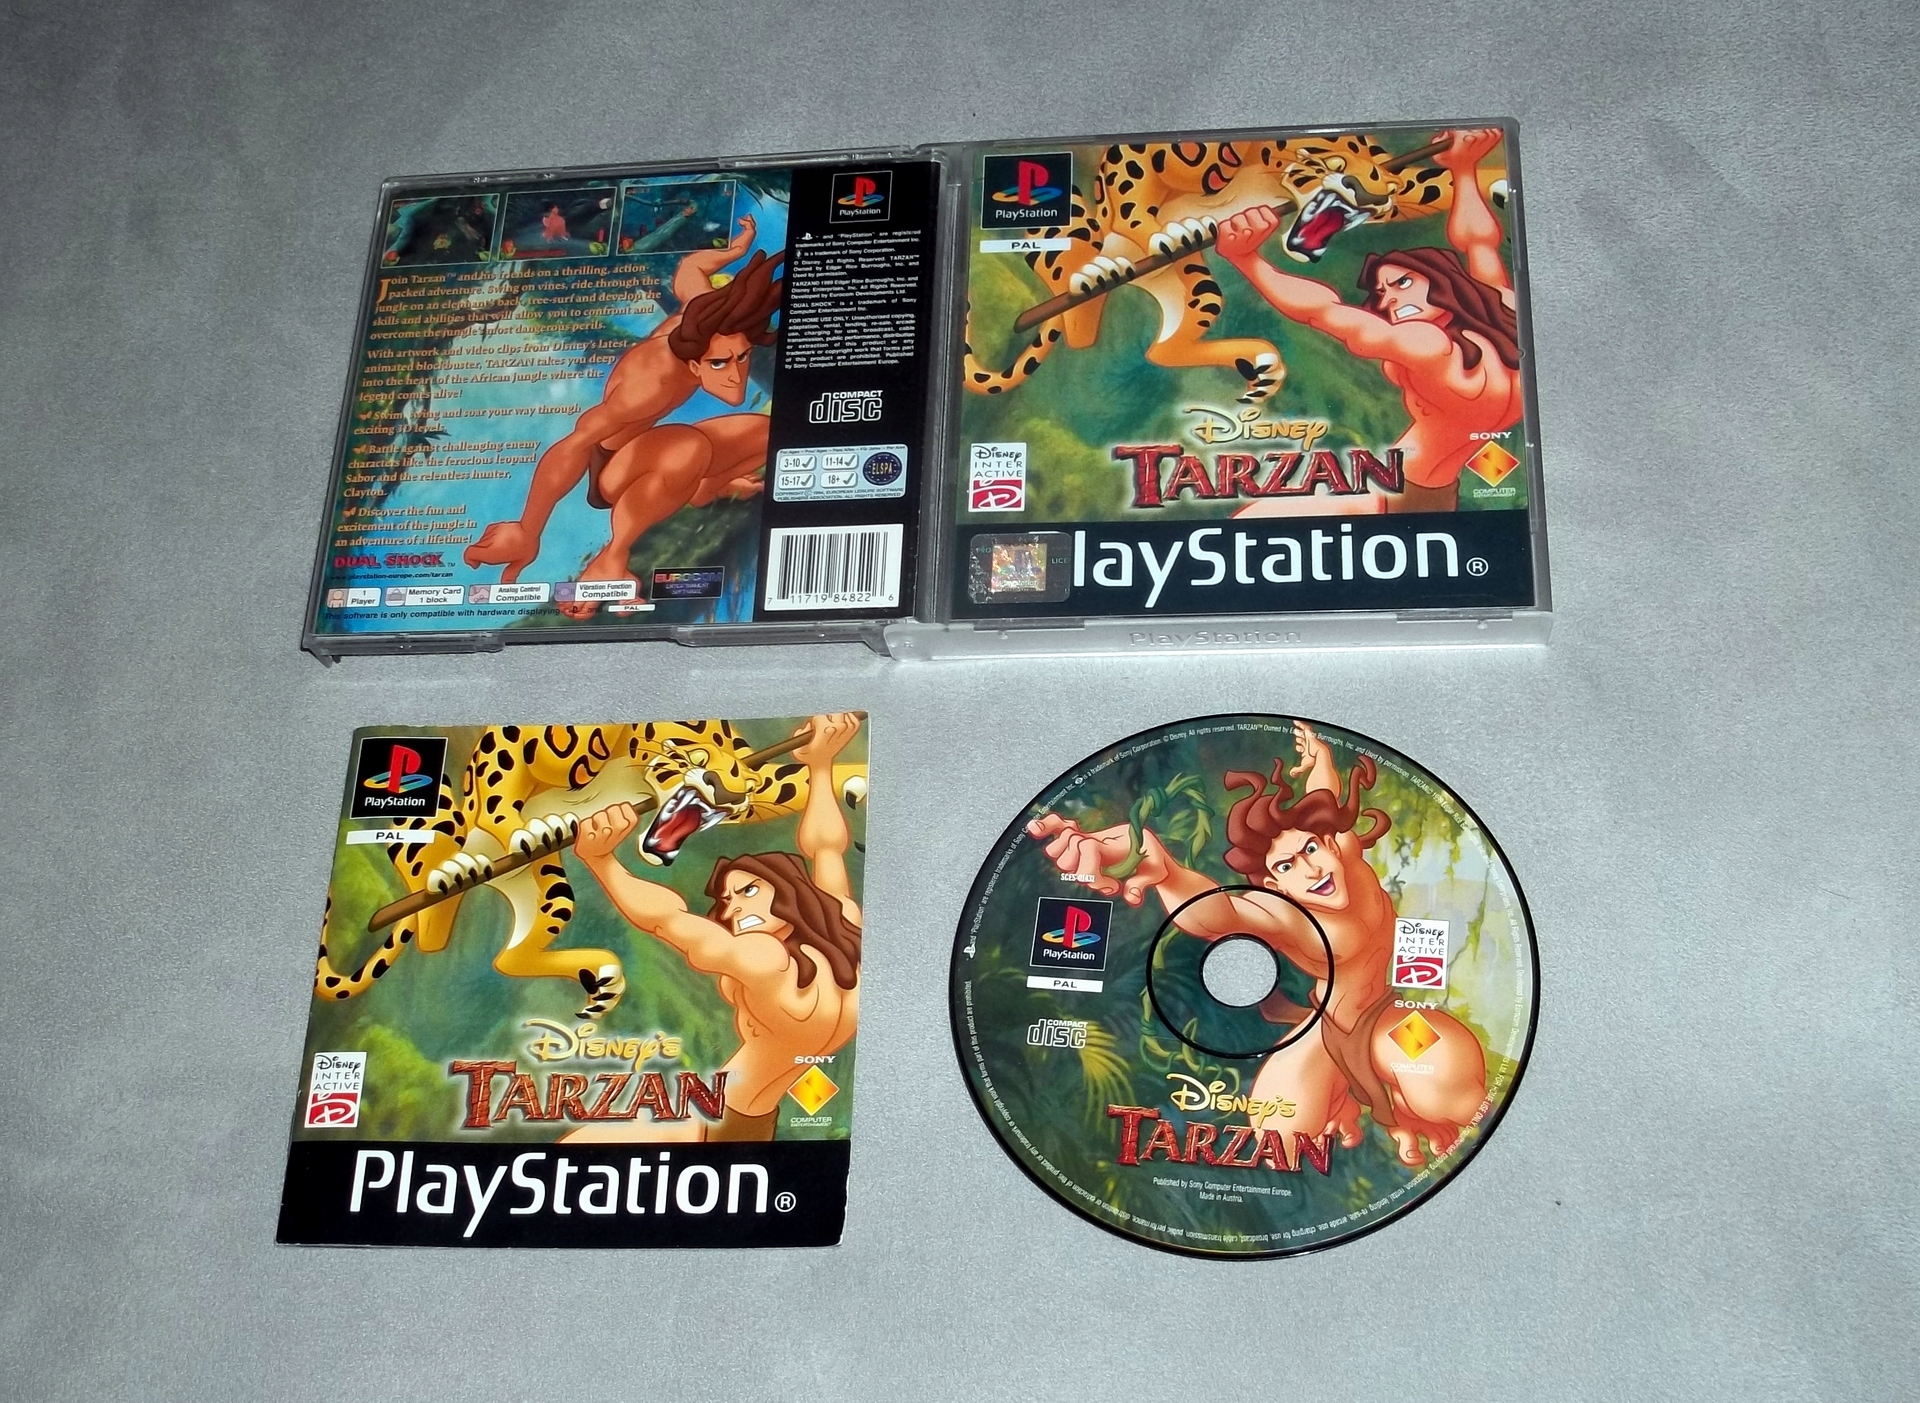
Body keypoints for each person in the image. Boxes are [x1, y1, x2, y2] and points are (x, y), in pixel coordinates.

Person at [1026, 720, 1485, 1167]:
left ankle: (1401, 1104)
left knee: (1441, 1078)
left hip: (1388, 1023)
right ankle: (1355, 1094)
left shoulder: (1345, 852)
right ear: (1274, 885)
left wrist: (1322, 760)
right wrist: (1167, 874)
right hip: (1327, 1033)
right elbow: (1219, 913)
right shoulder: (1288, 917)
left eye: (1310, 850)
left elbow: (1321, 801)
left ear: (1328, 842)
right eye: (1286, 867)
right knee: (1277, 1137)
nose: (1311, 871)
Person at [563, 713, 862, 1142]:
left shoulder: (767, 959)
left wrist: (601, 861)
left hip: (712, 1117)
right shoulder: (845, 925)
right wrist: (820, 764)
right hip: (753, 1123)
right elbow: (826, 847)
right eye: (728, 900)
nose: (735, 907)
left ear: (790, 892)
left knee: (572, 1156)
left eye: (749, 890)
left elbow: (668, 920)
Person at [464, 215, 781, 618]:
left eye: (742, 357)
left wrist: (736, 250)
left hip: (650, 454)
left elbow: (690, 269)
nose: (736, 376)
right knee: (687, 447)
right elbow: (576, 443)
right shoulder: (649, 385)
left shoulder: (701, 313)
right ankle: (612, 555)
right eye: (719, 364)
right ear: (693, 364)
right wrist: (529, 529)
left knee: (770, 434)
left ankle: (706, 488)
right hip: (613, 471)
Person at [1213, 129, 1522, 513]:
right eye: (1383, 292)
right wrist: (1463, 168)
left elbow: (1324, 311)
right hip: (1435, 496)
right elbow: (1478, 242)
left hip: (1393, 488)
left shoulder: (1429, 345)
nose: (1390, 298)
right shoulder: (1506, 312)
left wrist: (1247, 260)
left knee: (1251, 525)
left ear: (1445, 281)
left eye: (1403, 282)